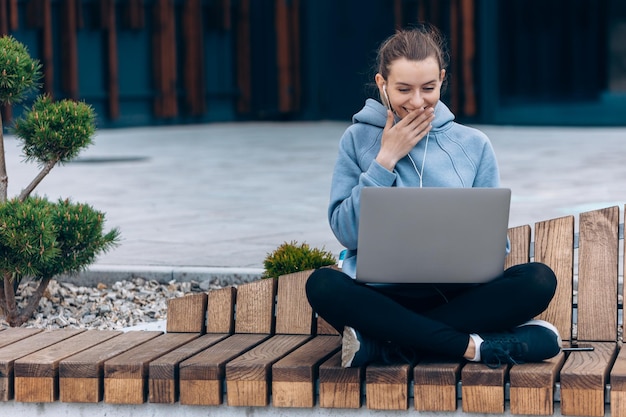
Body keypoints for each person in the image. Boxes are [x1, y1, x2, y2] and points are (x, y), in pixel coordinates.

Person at [305, 25, 562, 368]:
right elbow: (347, 233)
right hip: (382, 298)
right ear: (382, 84)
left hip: (456, 295)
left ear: (442, 79)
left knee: (538, 280)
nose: (416, 102)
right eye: (403, 89)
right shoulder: (356, 141)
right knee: (323, 285)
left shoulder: (473, 145)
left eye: (428, 88)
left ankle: (386, 346)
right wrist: (385, 160)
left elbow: (495, 247)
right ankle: (471, 347)